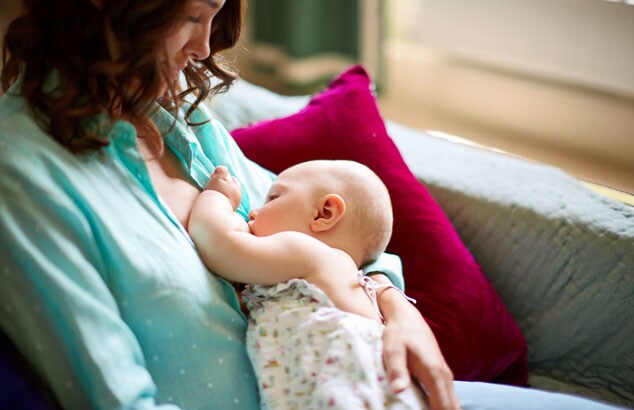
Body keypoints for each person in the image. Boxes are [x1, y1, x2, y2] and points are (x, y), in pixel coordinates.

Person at [0, 0, 624, 409]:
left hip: (365, 381)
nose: (203, 48)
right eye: (192, 19)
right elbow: (115, 396)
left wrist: (397, 310)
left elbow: (321, 227)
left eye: (216, 15)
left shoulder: (180, 122)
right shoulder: (22, 176)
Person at [189, 160, 426, 409]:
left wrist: (218, 197)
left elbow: (221, 244)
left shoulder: (310, 253)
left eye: (273, 198)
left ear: (324, 213)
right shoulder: (339, 279)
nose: (253, 213)